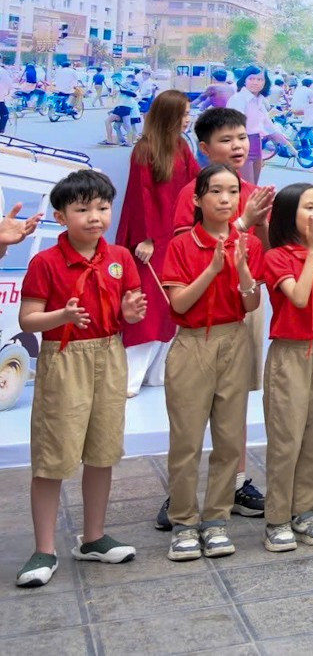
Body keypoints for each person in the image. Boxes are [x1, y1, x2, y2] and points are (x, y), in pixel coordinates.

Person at [16, 170, 145, 587]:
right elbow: (28, 318)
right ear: (60, 216)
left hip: (109, 354)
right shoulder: (46, 262)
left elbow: (127, 311)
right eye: (83, 209)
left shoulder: (121, 258)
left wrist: (130, 314)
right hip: (65, 358)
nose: (95, 217)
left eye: (103, 208)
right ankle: (44, 549)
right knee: (53, 455)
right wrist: (63, 316)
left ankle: (93, 538)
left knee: (103, 450)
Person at [159, 164, 264, 563]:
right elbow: (179, 303)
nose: (225, 199)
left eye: (232, 191)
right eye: (216, 191)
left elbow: (251, 304)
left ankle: (216, 520)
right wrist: (213, 269)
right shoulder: (183, 245)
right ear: (197, 200)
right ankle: (184, 522)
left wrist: (239, 267)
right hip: (193, 343)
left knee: (229, 439)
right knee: (186, 440)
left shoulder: (249, 243)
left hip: (234, 339)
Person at [258, 184, 313, 551]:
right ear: (288, 214)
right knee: (287, 439)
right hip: (290, 355)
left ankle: (306, 512)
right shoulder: (276, 256)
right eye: (309, 207)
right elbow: (298, 297)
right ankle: (277, 518)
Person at [117, 89, 196, 395]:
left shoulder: (181, 146)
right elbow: (140, 198)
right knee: (149, 307)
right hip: (151, 241)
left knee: (171, 306)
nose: (187, 120)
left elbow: (195, 184)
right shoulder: (144, 150)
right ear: (169, 116)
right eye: (184, 114)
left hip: (175, 236)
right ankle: (129, 379)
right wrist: (145, 238)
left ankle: (156, 374)